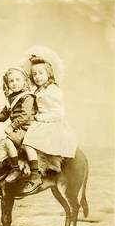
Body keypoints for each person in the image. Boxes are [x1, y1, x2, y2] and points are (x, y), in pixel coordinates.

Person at [22, 55, 78, 192]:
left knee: (28, 143)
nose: (37, 77)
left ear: (49, 73)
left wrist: (40, 118)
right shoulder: (39, 89)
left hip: (51, 123)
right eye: (34, 74)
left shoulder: (52, 90)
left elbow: (59, 113)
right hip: (40, 122)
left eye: (41, 73)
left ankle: (35, 175)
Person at [0, 66, 41, 185]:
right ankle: (15, 168)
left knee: (24, 144)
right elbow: (4, 115)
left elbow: (24, 115)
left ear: (25, 80)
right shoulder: (10, 98)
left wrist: (12, 127)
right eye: (11, 81)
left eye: (17, 80)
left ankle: (35, 172)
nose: (14, 83)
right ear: (7, 84)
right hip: (18, 128)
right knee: (6, 142)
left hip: (28, 127)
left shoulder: (27, 96)